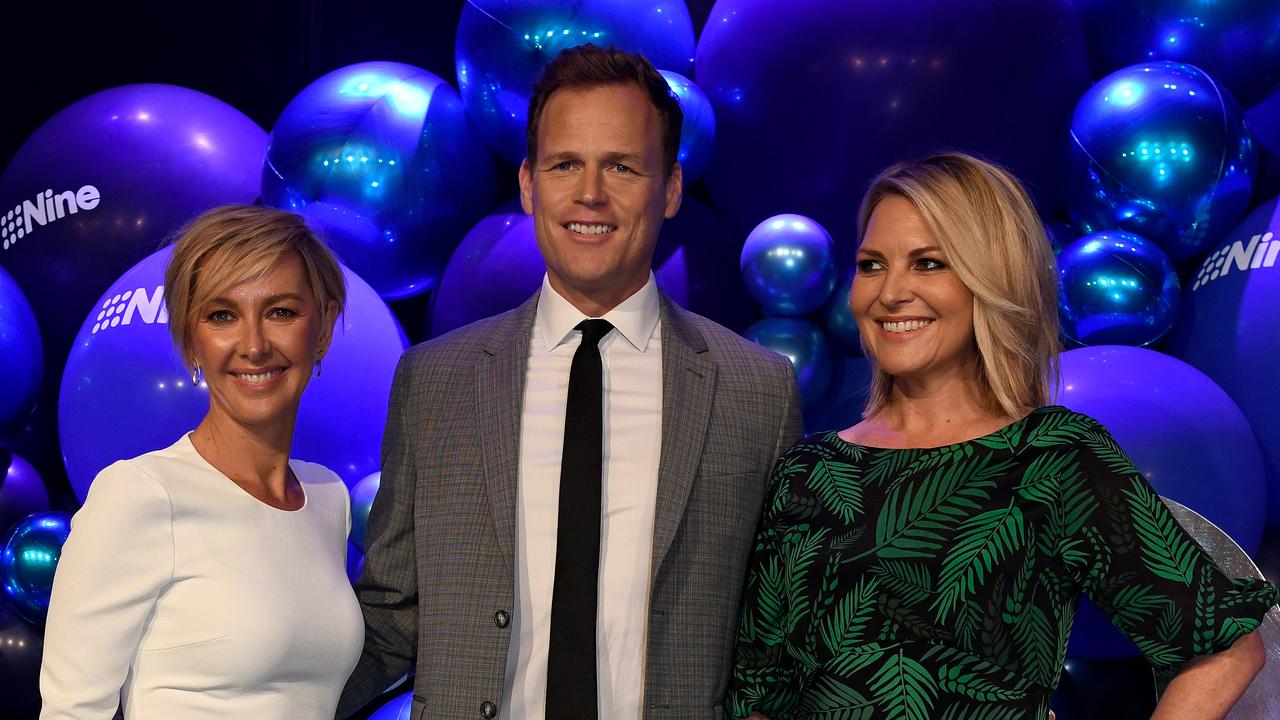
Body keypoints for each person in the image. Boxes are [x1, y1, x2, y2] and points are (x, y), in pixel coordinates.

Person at [338, 45, 802, 719]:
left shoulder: (755, 392)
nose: (590, 193)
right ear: (528, 185)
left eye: (621, 165)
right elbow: (390, 617)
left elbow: (777, 633)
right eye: (565, 165)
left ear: (670, 188)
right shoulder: (435, 383)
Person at [726, 153, 1278, 719]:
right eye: (871, 264)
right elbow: (760, 693)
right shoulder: (809, 470)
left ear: (990, 277)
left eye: (929, 263)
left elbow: (1227, 649)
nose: (890, 292)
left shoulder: (1054, 456)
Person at [40, 205, 363, 719]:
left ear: (322, 329)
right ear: (192, 341)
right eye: (222, 316)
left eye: (281, 311)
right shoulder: (140, 495)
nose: (254, 345)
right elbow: (71, 712)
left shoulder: (327, 498)